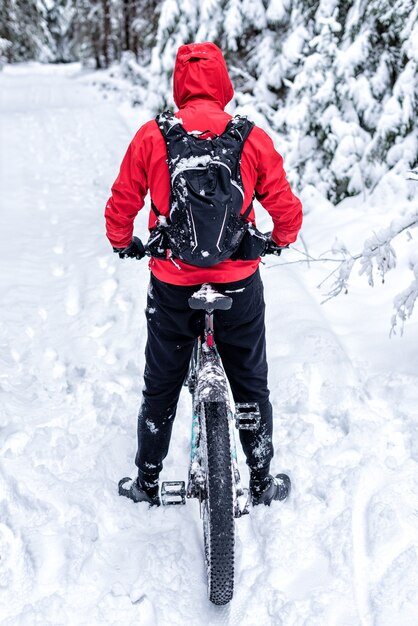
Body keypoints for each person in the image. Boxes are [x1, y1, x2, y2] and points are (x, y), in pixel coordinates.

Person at [105, 42, 303, 507]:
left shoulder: (153, 136)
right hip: (238, 285)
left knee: (161, 384)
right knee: (251, 383)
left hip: (174, 284)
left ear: (180, 83)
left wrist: (123, 242)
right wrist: (278, 239)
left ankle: (147, 482)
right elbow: (285, 208)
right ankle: (260, 481)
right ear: (223, 83)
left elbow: (121, 202)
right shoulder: (249, 137)